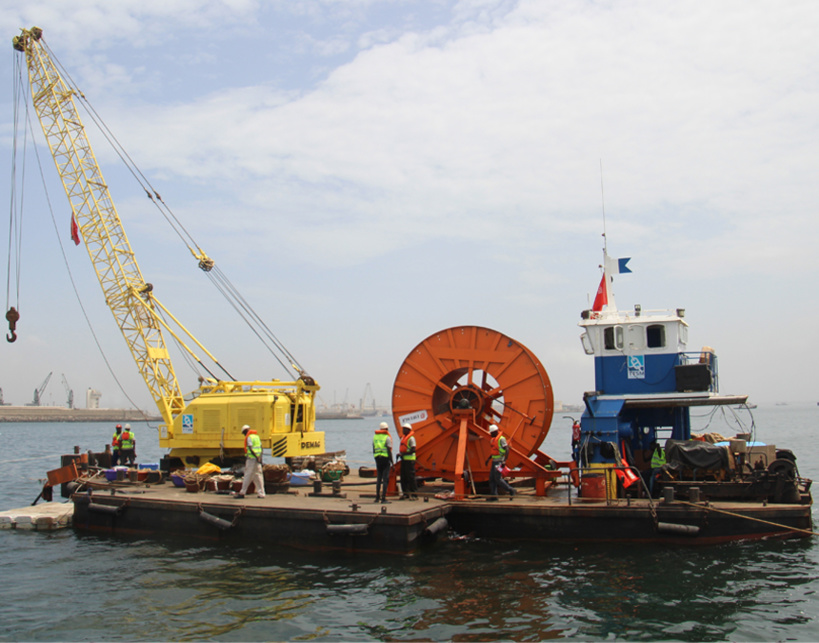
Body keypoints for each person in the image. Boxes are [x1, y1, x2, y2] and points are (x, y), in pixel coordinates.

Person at [485, 424, 515, 500]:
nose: (490, 434)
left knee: (497, 478)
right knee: (491, 479)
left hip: (499, 462)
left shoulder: (501, 439)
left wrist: (504, 461)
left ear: (495, 432)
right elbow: (494, 452)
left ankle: (511, 490)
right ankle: (494, 496)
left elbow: (507, 449)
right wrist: (488, 459)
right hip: (494, 462)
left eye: (491, 433)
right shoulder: (493, 440)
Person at [235, 425, 265, 499]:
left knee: (247, 475)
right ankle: (261, 493)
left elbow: (251, 448)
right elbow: (261, 448)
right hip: (257, 459)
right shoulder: (256, 437)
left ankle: (242, 492)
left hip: (251, 459)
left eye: (244, 433)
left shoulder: (249, 437)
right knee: (258, 475)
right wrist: (260, 457)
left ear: (245, 431)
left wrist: (256, 457)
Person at [373, 421, 393, 503]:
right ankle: (383, 498)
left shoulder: (375, 437)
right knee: (385, 479)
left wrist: (376, 459)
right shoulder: (387, 437)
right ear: (387, 429)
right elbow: (389, 451)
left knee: (379, 479)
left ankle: (377, 497)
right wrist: (392, 462)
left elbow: (373, 449)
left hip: (378, 459)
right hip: (385, 459)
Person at [398, 423, 418, 500]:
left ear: (408, 430)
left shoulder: (411, 439)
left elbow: (413, 450)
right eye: (403, 429)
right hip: (404, 460)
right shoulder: (403, 438)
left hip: (410, 461)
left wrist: (404, 453)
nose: (403, 430)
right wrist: (400, 454)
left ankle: (414, 494)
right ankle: (405, 493)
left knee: (411, 477)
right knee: (403, 477)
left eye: (404, 429)